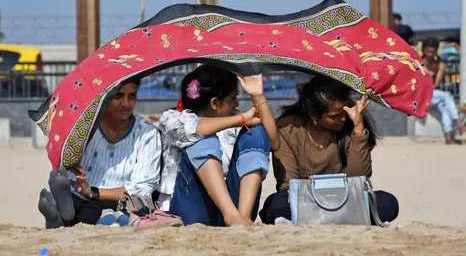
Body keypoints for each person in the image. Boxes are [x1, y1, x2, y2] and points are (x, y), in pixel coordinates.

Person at [258, 76, 399, 225]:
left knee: (388, 203)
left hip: (345, 198)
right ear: (314, 116)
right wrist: (319, 197)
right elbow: (288, 184)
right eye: (335, 116)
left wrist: (358, 128)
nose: (343, 118)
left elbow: (359, 177)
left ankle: (318, 219)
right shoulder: (287, 130)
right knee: (275, 204)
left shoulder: (350, 125)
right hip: (304, 200)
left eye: (344, 112)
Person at [158, 64, 280, 227]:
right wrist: (241, 120)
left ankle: (242, 217)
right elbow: (195, 128)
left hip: (233, 209)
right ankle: (232, 216)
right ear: (214, 103)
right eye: (233, 98)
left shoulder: (237, 119)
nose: (237, 104)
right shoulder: (172, 119)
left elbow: (273, 142)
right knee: (202, 138)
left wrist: (258, 96)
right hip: (190, 209)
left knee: (256, 132)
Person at [37, 78, 165, 228]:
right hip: (82, 193)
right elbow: (66, 158)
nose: (125, 104)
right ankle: (63, 212)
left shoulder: (147, 132)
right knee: (87, 209)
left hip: (123, 198)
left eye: (132, 96)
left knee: (132, 205)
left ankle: (60, 219)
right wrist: (73, 167)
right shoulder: (84, 125)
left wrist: (93, 192)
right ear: (103, 95)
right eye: (118, 96)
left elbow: (143, 187)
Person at [421, 38, 466, 144]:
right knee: (446, 95)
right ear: (423, 51)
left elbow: (436, 84)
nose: (430, 54)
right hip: (419, 95)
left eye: (432, 52)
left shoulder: (440, 64)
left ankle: (448, 137)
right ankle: (458, 123)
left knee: (444, 107)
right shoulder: (418, 63)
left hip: (432, 94)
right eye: (428, 52)